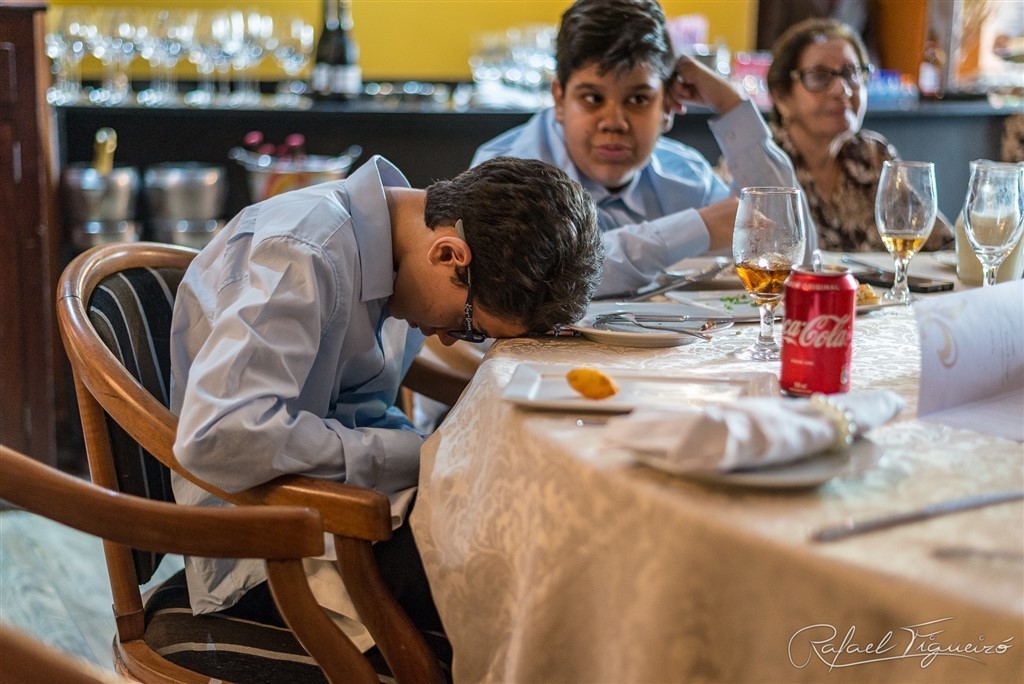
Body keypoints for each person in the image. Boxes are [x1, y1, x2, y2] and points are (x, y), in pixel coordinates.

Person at [168, 155, 603, 653]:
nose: (445, 340)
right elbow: (218, 435)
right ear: (448, 255)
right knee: (538, 573)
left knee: (551, 514)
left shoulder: (392, 244)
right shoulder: (303, 251)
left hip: (357, 501)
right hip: (271, 544)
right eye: (468, 327)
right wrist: (413, 454)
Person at [472, 0, 808, 299]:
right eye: (592, 98)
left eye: (638, 99)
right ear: (559, 99)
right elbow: (535, 282)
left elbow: (790, 256)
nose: (614, 121)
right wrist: (697, 228)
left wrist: (732, 107)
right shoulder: (503, 172)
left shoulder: (685, 175)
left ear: (666, 106)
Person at [765, 18, 952, 251]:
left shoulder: (872, 155)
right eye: (819, 76)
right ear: (782, 97)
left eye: (851, 73)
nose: (841, 89)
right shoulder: (760, 159)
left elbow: (941, 244)